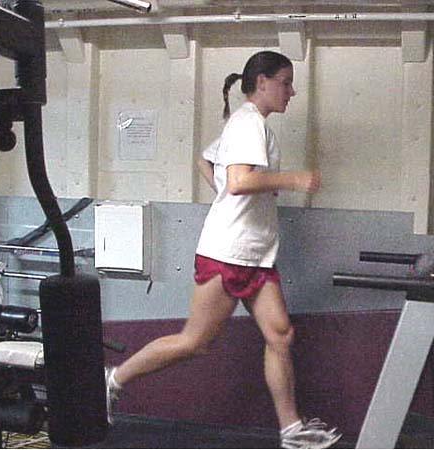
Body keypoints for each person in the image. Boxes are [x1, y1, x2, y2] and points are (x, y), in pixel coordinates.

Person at [105, 50, 341, 449]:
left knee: (280, 335)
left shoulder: (248, 125)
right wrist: (295, 178)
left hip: (257, 255)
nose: (292, 91)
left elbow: (209, 162)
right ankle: (112, 380)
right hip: (228, 253)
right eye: (285, 82)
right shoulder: (248, 122)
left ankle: (292, 431)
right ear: (262, 82)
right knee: (194, 342)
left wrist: (227, 191)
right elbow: (238, 181)